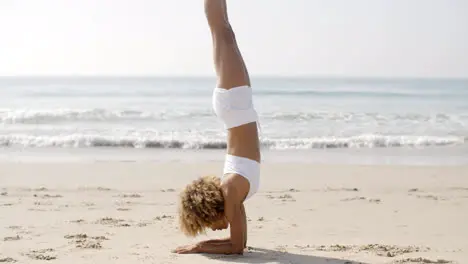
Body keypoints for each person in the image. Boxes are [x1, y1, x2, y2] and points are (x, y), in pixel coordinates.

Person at [172, 0, 261, 255]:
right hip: (237, 105)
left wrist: (199, 247)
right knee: (224, 30)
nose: (215, 229)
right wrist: (207, 244)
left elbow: (235, 248)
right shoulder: (233, 195)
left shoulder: (231, 190)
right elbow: (240, 244)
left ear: (209, 209)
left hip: (235, 104)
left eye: (208, 223)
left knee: (220, 29)